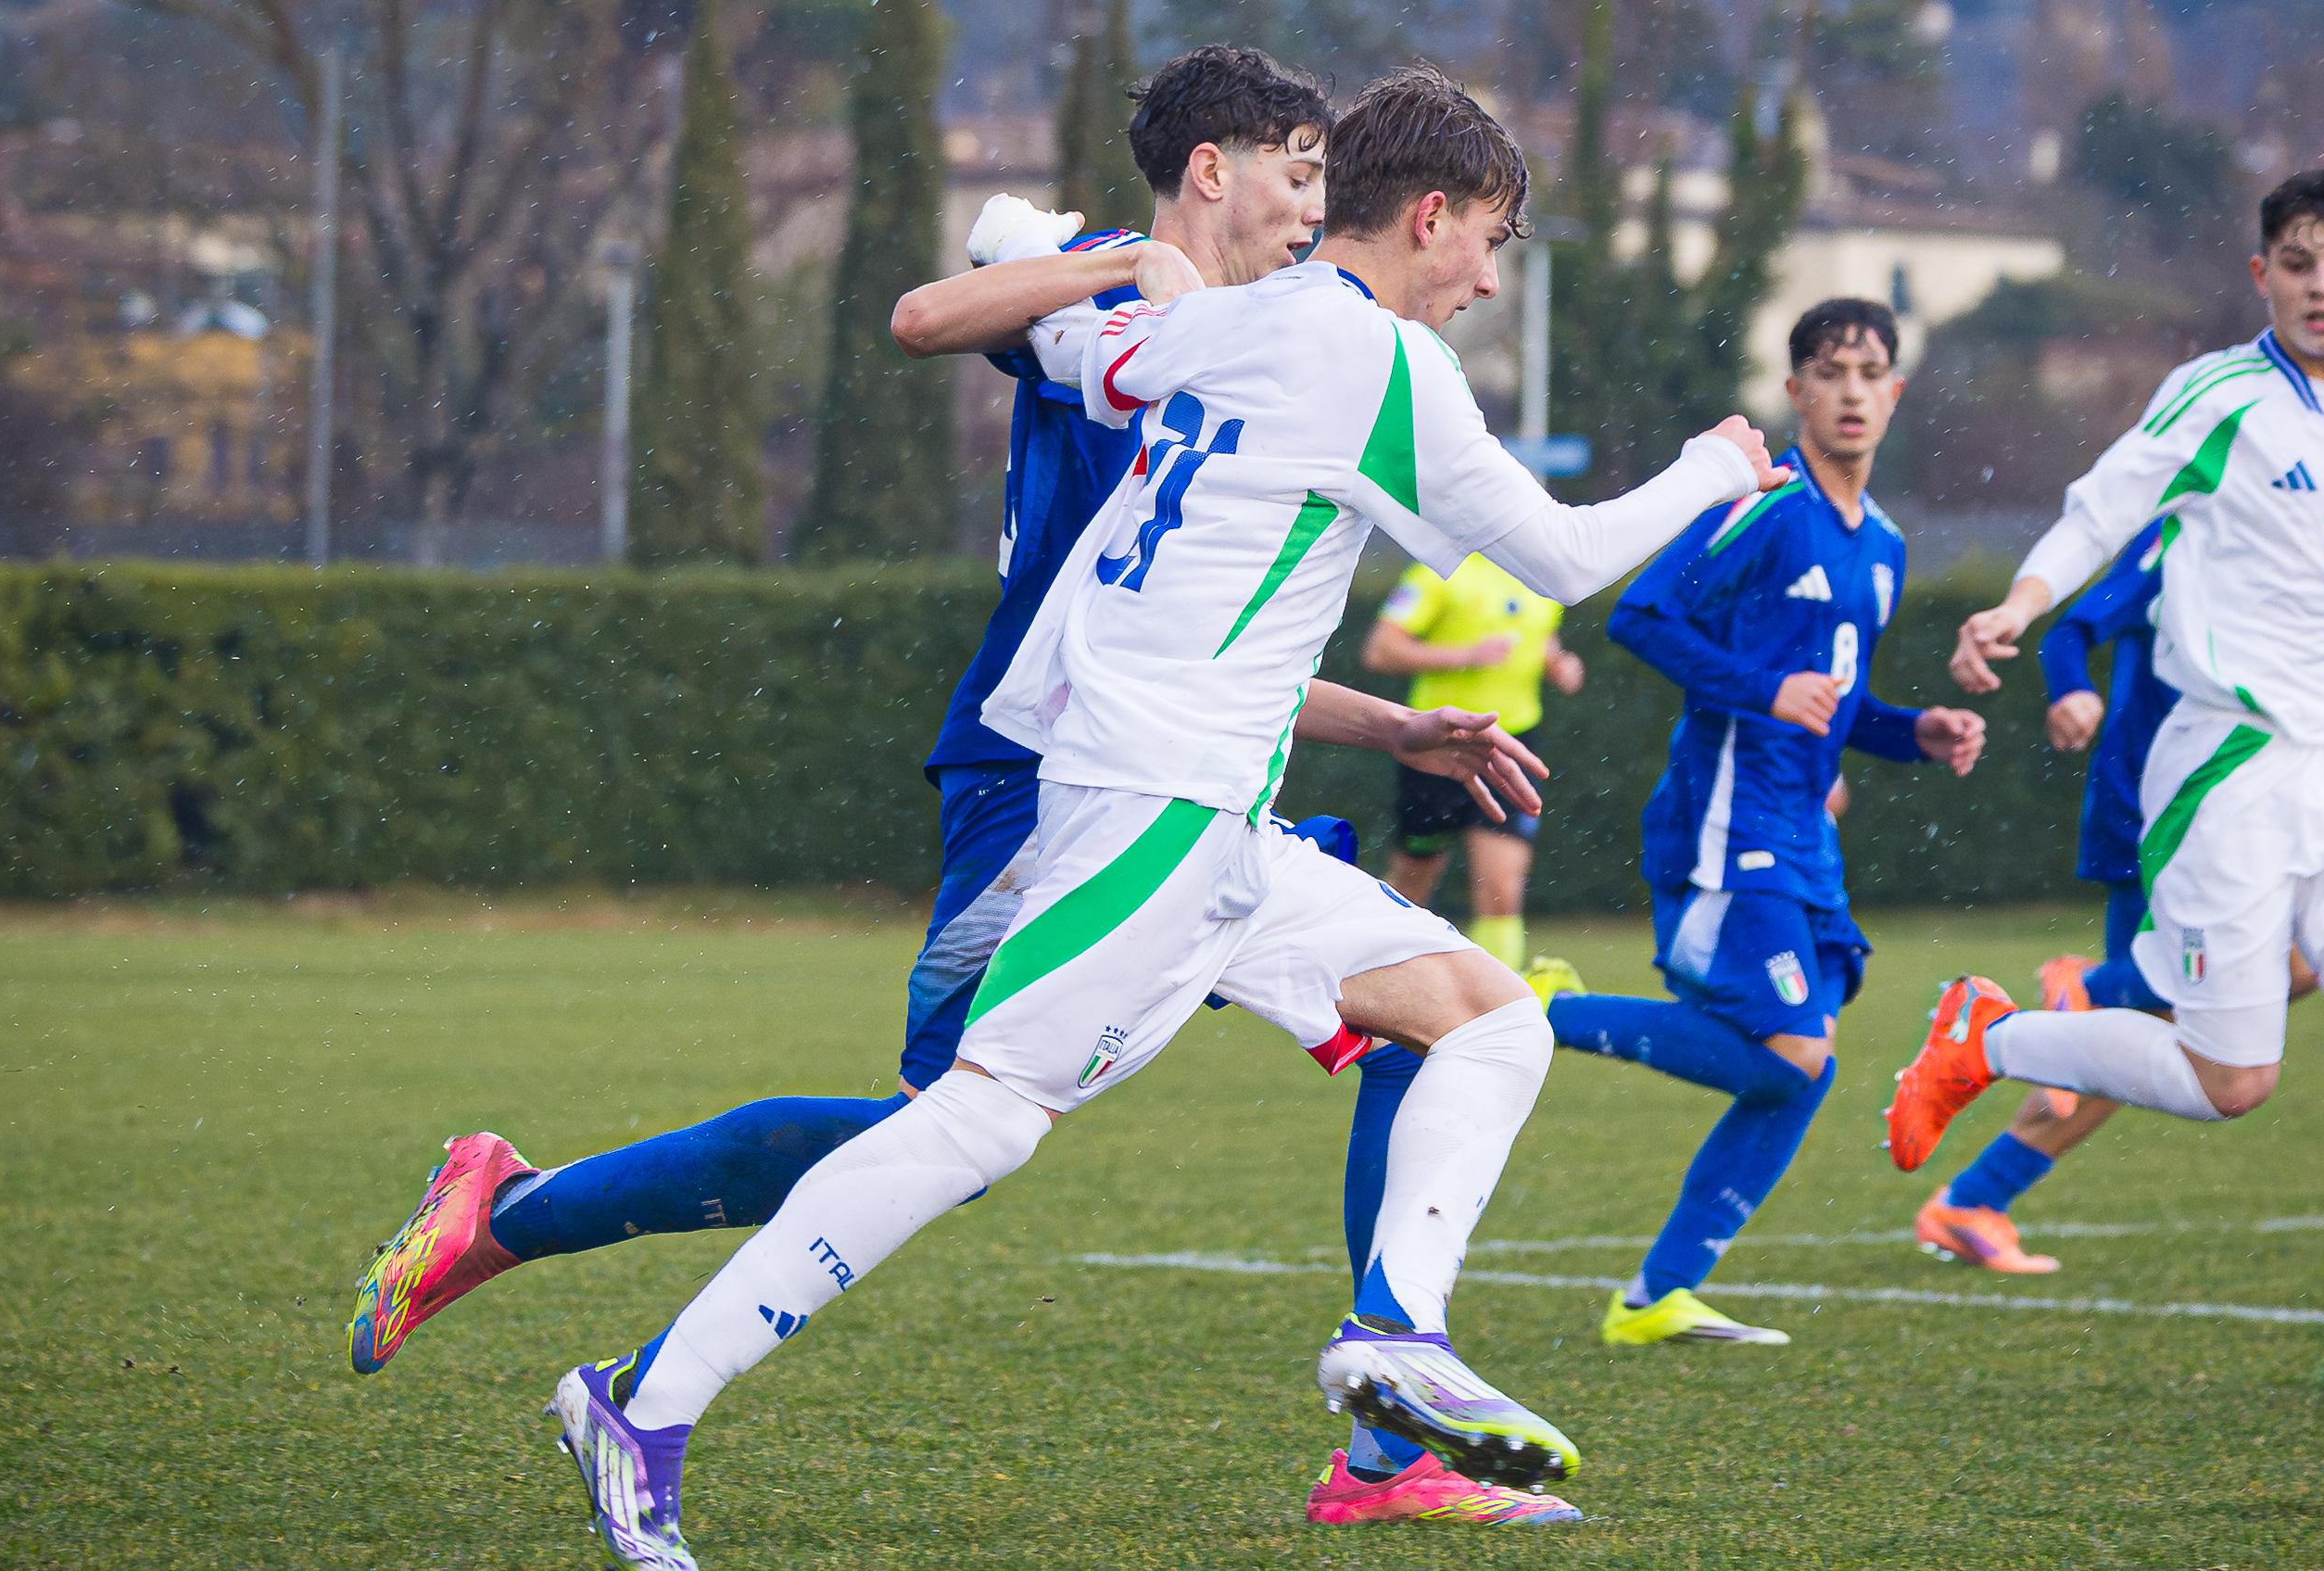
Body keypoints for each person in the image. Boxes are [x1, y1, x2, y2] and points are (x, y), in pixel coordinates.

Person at [532, 68, 1795, 1568]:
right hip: (1154, 803)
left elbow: (1078, 346)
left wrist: (1067, 266)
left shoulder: (1238, 316)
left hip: (1199, 812)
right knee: (976, 1124)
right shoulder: (1373, 360)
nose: (1487, 276)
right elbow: (1558, 556)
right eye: (1493, 242)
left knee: (1487, 1017)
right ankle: (645, 1403)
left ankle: (1395, 1334)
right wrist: (1719, 465)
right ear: (1436, 214)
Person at [344, 43, 1542, 1505]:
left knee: (1429, 1027)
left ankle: (1384, 1434)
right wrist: (1092, 258)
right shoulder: (1125, 303)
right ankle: (514, 1216)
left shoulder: (1276, 345)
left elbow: (1214, 635)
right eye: (1297, 173)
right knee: (942, 1132)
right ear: (1215, 173)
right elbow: (931, 310)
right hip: (1047, 777)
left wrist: (1394, 722)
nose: (1314, 205)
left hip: (1182, 782)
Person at [1882, 169, 2324, 1401]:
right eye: (2295, 262)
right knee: (2227, 1079)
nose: (2318, 285)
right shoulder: (2215, 397)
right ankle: (1990, 1035)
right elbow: (2097, 513)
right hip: (2227, 772)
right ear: (2260, 274)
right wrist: (2016, 607)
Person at [1523, 298, 1989, 1346]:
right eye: (1831, 372)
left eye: (1873, 372)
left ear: (1896, 393)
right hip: (1728, 828)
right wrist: (1762, 689)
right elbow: (1644, 612)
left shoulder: (1885, 547)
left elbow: (1837, 700)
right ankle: (1542, 1013)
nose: (1854, 390)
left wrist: (1918, 731)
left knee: (1799, 1075)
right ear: (1796, 394)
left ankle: (1656, 1298)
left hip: (1803, 842)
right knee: (1791, 1057)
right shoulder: (1769, 507)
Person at [1914, 559, 2324, 1275]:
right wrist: (2072, 691)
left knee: (2189, 1032)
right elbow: (2072, 629)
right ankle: (2097, 993)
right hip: (2170, 813)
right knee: (2170, 1036)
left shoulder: (2292, 528)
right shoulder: (2190, 520)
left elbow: (2316, 699)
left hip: (2257, 819)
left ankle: (1981, 1185)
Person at [1363, 555, 1585, 967]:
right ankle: (1374, 987)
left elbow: (1540, 638)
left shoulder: (1540, 571)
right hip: (1436, 747)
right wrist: (1465, 654)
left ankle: (1497, 1010)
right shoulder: (1437, 571)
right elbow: (1380, 650)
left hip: (1510, 747)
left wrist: (1559, 663)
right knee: (1411, 884)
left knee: (1501, 891)